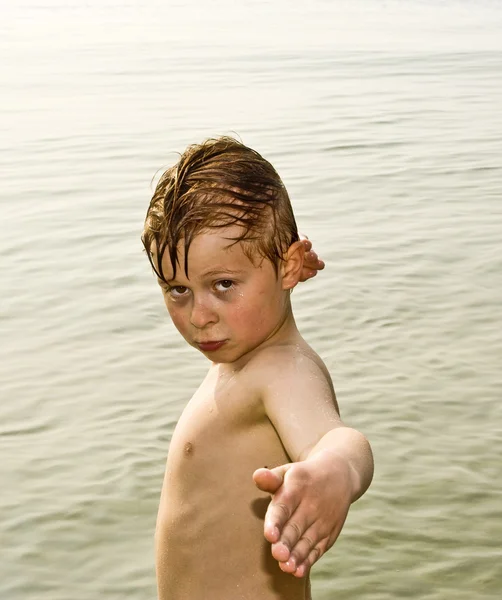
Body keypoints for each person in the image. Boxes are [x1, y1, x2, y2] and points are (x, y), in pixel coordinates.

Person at [142, 137, 374, 600]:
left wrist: (335, 471)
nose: (199, 315)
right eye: (177, 289)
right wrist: (269, 270)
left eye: (223, 284)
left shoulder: (282, 369)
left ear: (287, 268)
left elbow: (339, 440)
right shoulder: (242, 355)